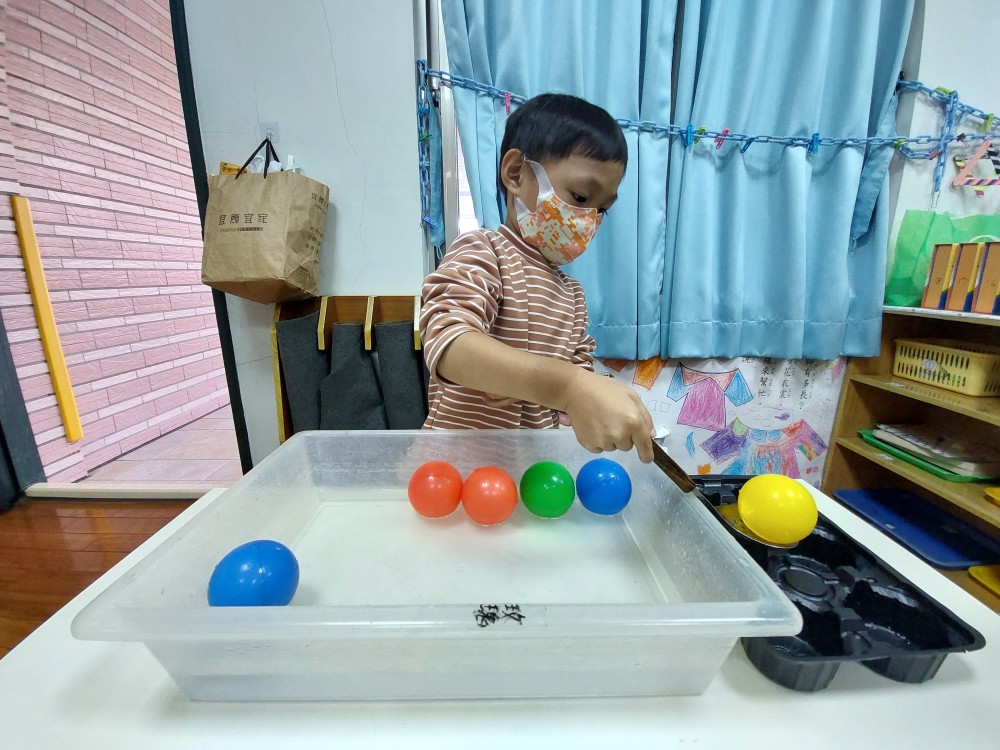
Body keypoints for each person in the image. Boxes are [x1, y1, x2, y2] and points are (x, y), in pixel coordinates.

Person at [419, 93, 654, 463]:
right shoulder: (485, 252)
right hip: (455, 473)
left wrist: (593, 402)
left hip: (528, 477)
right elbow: (448, 345)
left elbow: (575, 396)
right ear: (516, 173)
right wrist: (562, 385)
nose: (589, 220)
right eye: (581, 197)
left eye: (602, 210)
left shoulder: (572, 295)